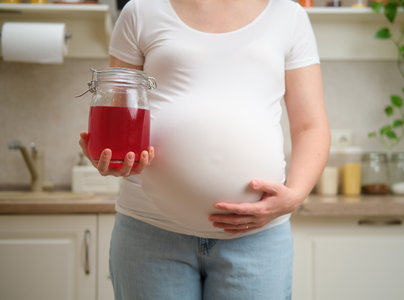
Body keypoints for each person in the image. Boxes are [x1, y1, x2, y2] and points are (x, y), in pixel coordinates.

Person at [79, 0, 330, 298]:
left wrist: (295, 196)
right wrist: (114, 155)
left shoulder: (289, 15)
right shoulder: (141, 10)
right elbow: (120, 108)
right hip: (150, 231)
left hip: (256, 240)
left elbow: (311, 126)